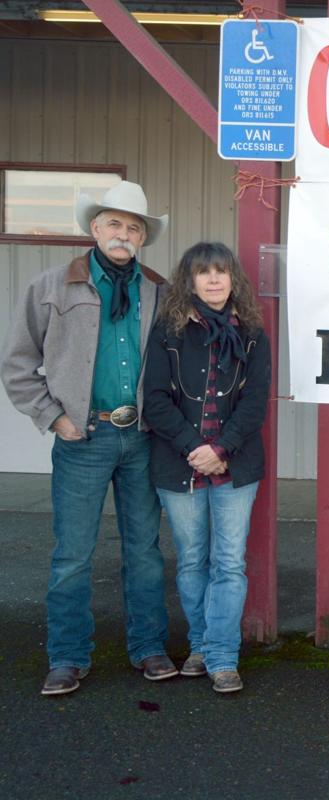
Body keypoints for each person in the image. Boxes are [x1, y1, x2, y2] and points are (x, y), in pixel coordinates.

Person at [1, 181, 176, 695]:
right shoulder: (52, 287)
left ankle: (149, 647)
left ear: (143, 238)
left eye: (134, 227)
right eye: (115, 224)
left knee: (144, 550)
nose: (124, 235)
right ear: (95, 228)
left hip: (141, 438)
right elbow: (17, 363)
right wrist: (55, 417)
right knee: (73, 553)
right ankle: (69, 657)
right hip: (83, 437)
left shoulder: (159, 292)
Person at [143, 242, 270, 694]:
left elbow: (255, 403)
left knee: (229, 563)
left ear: (233, 279)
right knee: (192, 560)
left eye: (222, 272)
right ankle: (199, 645)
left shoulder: (252, 332)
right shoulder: (168, 331)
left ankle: (221, 657)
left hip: (234, 466)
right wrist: (194, 446)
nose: (214, 280)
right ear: (189, 280)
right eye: (204, 273)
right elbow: (155, 399)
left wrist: (222, 448)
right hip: (180, 464)